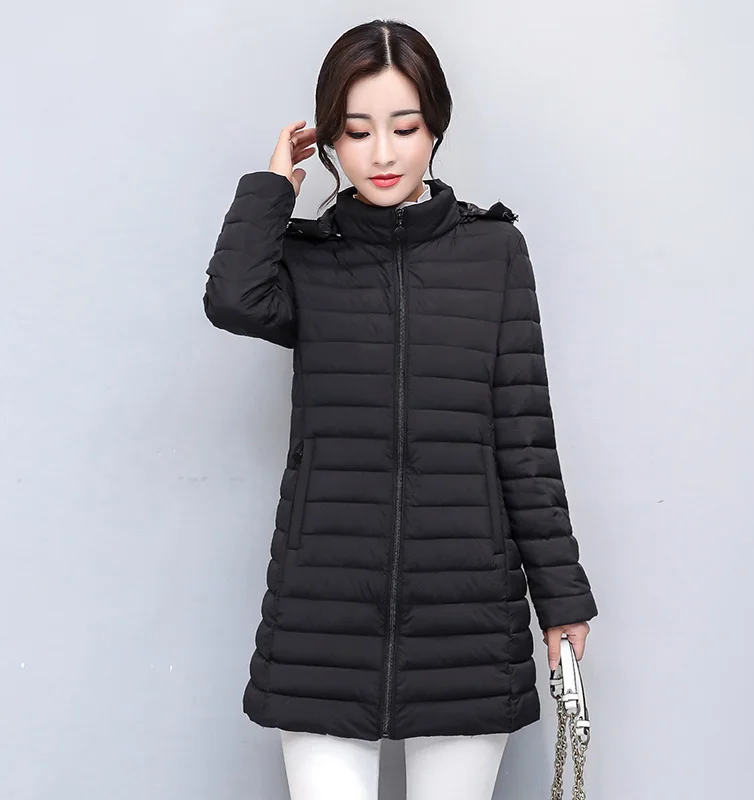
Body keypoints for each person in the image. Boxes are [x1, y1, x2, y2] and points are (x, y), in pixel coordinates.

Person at [203, 18, 598, 800]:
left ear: (435, 129)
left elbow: (523, 435)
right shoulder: (309, 259)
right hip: (322, 612)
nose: (382, 153)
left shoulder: (494, 253)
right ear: (330, 141)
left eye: (404, 127)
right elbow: (234, 300)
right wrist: (275, 186)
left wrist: (560, 598)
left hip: (467, 613)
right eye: (356, 132)